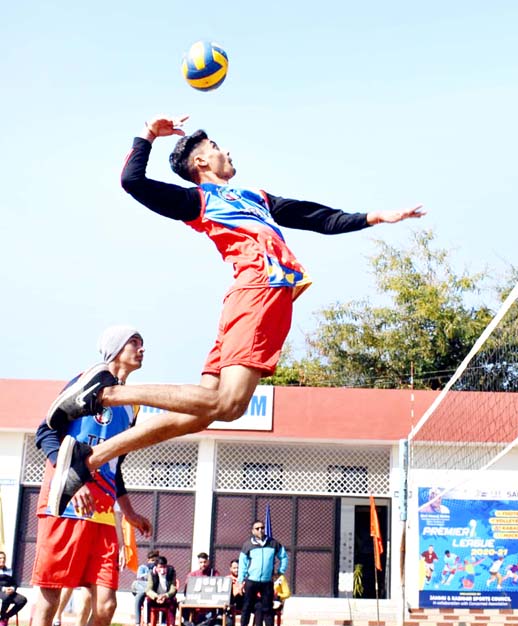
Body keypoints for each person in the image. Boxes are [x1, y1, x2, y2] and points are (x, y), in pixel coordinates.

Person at [44, 114, 426, 512]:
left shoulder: (256, 198)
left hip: (255, 298)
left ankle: (89, 460)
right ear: (202, 164)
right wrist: (147, 136)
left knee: (203, 411)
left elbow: (316, 217)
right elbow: (132, 182)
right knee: (229, 405)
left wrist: (376, 217)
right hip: (259, 290)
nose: (226, 151)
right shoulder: (198, 201)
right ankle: (105, 394)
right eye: (216, 147)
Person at [17, 326, 152, 626]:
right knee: (47, 601)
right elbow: (46, 431)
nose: (142, 348)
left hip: (102, 512)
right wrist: (71, 479)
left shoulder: (131, 406)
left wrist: (128, 509)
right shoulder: (90, 380)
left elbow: (116, 464)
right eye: (134, 342)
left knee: (107, 604)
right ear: (115, 349)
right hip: (64, 506)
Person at [238, 520, 288, 626]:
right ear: (253, 531)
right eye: (257, 528)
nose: (260, 530)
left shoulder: (273, 543)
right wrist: (241, 580)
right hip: (251, 580)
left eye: (262, 528)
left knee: (267, 607)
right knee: (247, 606)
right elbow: (242, 563)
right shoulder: (247, 545)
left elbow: (284, 557)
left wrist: (280, 571)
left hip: (267, 581)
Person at [144, 556, 179, 626]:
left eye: (164, 567)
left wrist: (165, 596)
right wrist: (156, 597)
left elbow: (173, 588)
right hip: (155, 598)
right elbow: (148, 589)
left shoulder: (171, 572)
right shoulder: (151, 574)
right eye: (160, 567)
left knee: (173, 601)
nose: (162, 569)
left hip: (166, 598)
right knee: (147, 600)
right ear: (156, 567)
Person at [132, 550, 160, 626]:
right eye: (152, 560)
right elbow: (139, 577)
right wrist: (149, 573)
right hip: (143, 588)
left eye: (156, 560)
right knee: (139, 595)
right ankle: (138, 622)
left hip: (153, 591)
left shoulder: (159, 568)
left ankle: (152, 622)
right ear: (148, 560)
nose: (154, 562)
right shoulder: (143, 567)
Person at [0, 551, 28, 626]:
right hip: (1, 590)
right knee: (6, 597)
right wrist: (4, 589)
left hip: (10, 591)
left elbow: (15, 583)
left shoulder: (9, 571)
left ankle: (6, 617)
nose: (2, 560)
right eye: (0, 558)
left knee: (22, 600)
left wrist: (12, 588)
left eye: (4, 558)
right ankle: (2, 619)